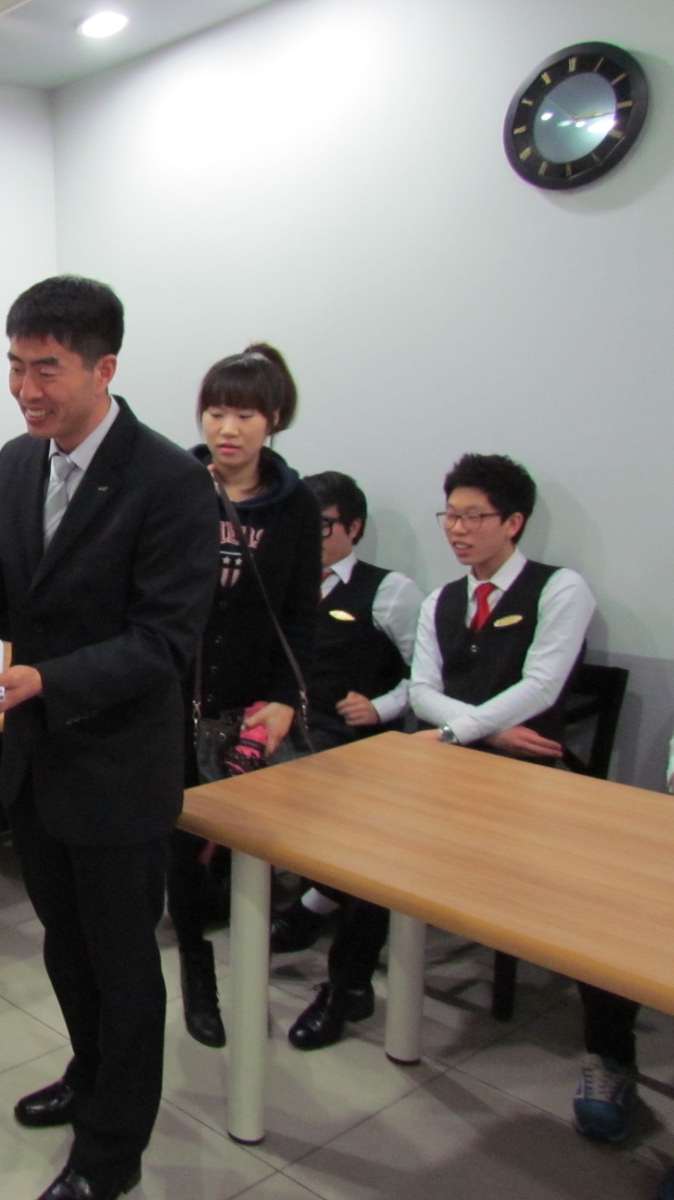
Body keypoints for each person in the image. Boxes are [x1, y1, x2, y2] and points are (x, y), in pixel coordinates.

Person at [0, 275, 218, 1200]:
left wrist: (46, 680)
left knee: (124, 966)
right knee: (66, 947)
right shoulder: (20, 463)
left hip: (117, 769)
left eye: (47, 369)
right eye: (15, 366)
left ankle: (111, 1153)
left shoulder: (170, 483)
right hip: (39, 760)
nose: (25, 389)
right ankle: (88, 1074)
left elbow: (164, 641)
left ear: (105, 368)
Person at [291, 452, 594, 1054]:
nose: (457, 529)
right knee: (373, 828)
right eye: (450, 516)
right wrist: (488, 732)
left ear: (513, 522)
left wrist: (460, 732)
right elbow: (423, 692)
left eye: (473, 517)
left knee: (390, 833)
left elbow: (541, 687)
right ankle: (345, 983)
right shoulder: (442, 601)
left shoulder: (561, 589)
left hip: (526, 778)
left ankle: (323, 925)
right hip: (450, 763)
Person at [169, 343, 320, 1050]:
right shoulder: (175, 486)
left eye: (245, 415)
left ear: (274, 420)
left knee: (248, 856)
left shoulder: (296, 506)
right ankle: (197, 975)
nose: (227, 429)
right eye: (216, 412)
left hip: (252, 710)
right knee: (181, 851)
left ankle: (250, 980)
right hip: (174, 703)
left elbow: (301, 612)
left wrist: (288, 696)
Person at [268, 471, 424, 957]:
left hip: (348, 733)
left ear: (354, 528)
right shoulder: (283, 582)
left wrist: (379, 707)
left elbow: (425, 676)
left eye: (322, 526)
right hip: (285, 720)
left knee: (302, 771)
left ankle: (316, 903)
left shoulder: (391, 591)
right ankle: (227, 889)